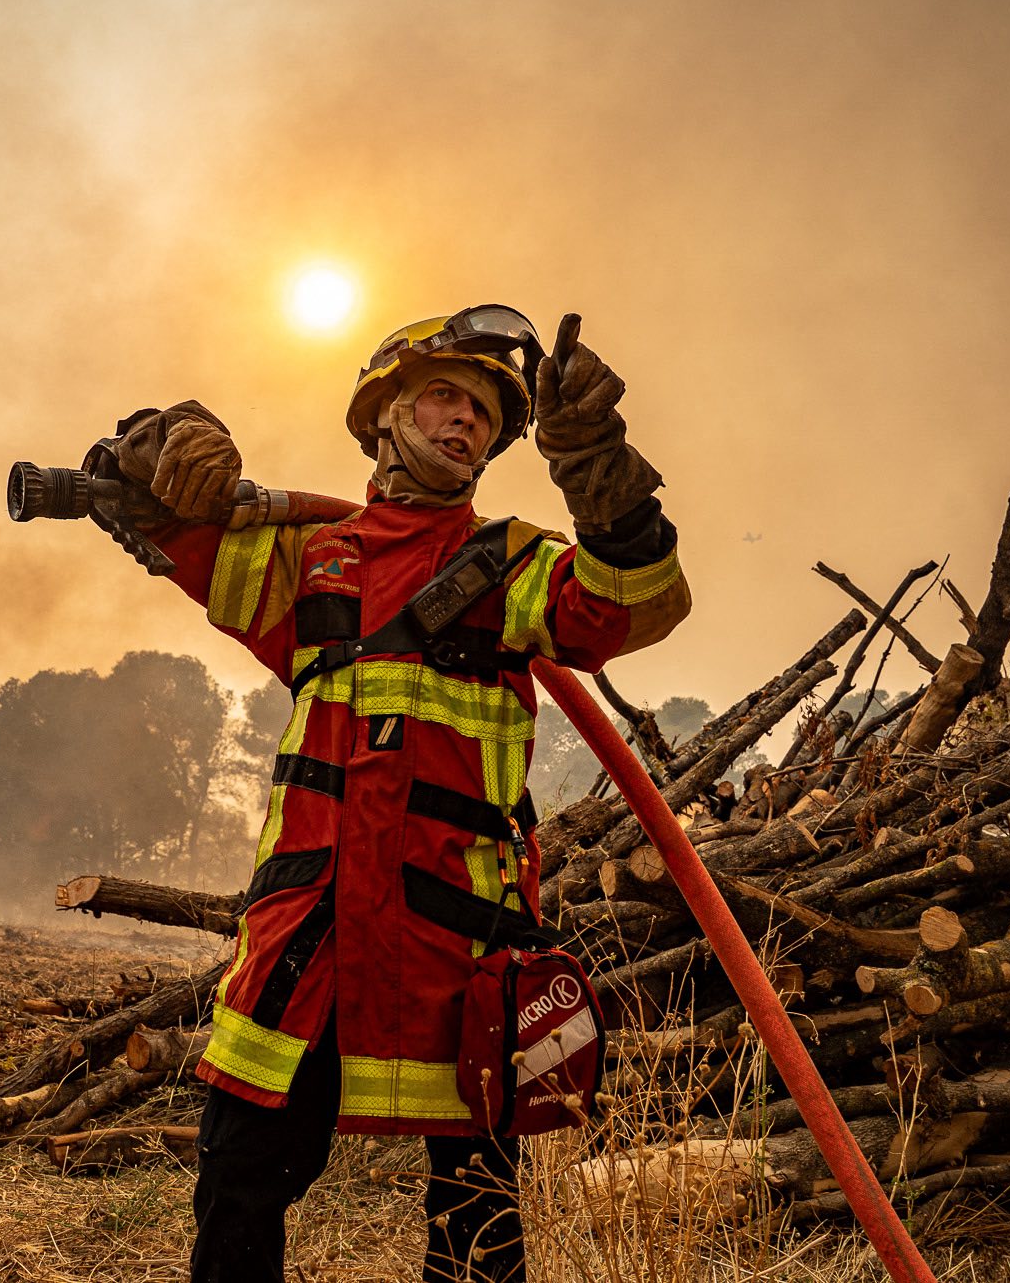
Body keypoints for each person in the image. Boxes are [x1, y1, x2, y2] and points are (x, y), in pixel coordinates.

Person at [103, 305, 692, 1282]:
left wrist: (601, 472)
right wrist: (159, 445)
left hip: (457, 952)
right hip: (305, 947)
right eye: (443, 397)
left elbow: (633, 602)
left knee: (477, 1224)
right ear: (381, 415)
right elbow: (156, 516)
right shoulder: (302, 559)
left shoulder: (509, 566)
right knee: (239, 1191)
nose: (465, 422)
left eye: (485, 415)